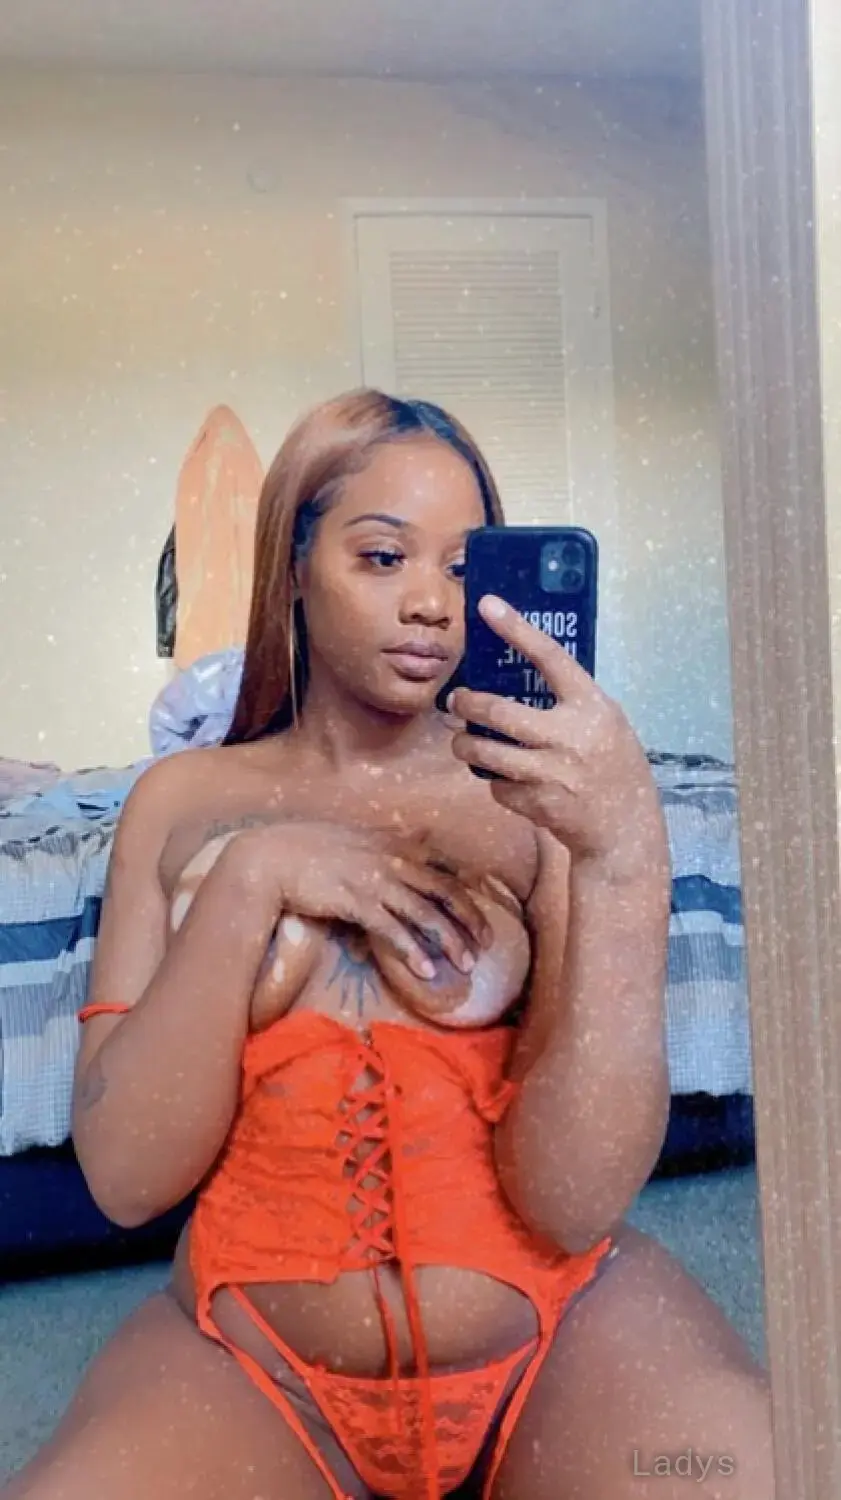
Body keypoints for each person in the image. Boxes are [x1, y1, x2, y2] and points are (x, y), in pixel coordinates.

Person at [3, 391, 774, 1500]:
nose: (430, 603)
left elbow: (570, 1198)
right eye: (381, 556)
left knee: (753, 1477)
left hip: (556, 1337)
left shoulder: (535, 802)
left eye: (463, 568)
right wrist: (254, 880)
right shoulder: (179, 802)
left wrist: (623, 860)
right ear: (293, 566)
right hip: (253, 1366)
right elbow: (127, 1179)